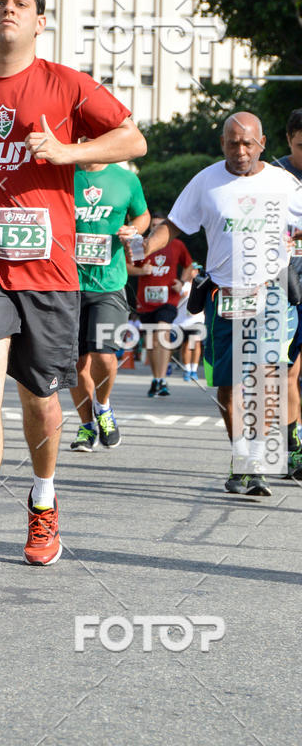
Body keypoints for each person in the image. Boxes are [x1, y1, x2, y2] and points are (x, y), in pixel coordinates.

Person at [0, 0, 146, 572]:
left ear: (40, 20)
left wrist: (67, 152)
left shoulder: (68, 85)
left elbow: (132, 140)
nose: (9, 8)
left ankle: (44, 500)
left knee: (41, 399)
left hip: (49, 266)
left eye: (21, 2)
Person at [123, 112, 302, 496]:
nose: (241, 151)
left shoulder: (284, 183)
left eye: (248, 143)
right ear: (222, 143)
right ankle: (241, 457)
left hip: (271, 293)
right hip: (225, 295)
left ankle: (255, 460)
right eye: (233, 143)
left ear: (263, 144)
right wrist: (143, 246)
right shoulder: (206, 181)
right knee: (229, 384)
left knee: (268, 375)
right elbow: (173, 225)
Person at [69, 159, 149, 451]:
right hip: (68, 284)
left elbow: (143, 215)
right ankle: (86, 426)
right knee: (76, 362)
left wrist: (133, 229)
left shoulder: (125, 179)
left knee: (103, 355)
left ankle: (103, 408)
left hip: (109, 284)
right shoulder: (63, 175)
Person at [127, 212, 194, 397]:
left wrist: (182, 282)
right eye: (153, 225)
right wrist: (141, 271)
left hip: (168, 300)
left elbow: (189, 265)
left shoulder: (177, 245)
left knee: (163, 333)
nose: (156, 228)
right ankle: (156, 379)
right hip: (145, 301)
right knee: (151, 342)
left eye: (159, 225)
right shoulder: (141, 246)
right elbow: (126, 267)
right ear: (149, 228)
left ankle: (163, 379)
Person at [273, 108, 302, 473]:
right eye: (300, 146)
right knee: (288, 372)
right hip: (285, 285)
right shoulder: (273, 175)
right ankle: (294, 444)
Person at [173, 263, 205, 381]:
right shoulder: (182, 285)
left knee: (196, 343)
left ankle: (194, 370)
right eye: (193, 270)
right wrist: (182, 296)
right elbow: (173, 301)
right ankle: (187, 369)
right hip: (182, 321)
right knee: (186, 345)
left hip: (197, 319)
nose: (195, 272)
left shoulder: (201, 285)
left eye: (197, 270)